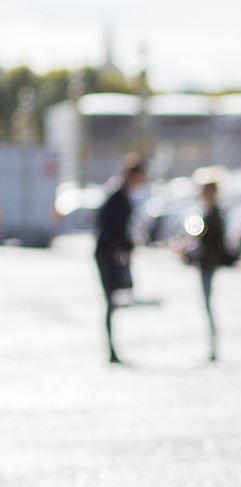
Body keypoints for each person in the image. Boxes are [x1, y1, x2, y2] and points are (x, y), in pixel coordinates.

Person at [94, 154, 146, 364]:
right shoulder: (116, 196)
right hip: (107, 255)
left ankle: (113, 349)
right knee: (109, 303)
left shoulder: (123, 195)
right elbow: (111, 228)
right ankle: (111, 350)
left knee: (113, 303)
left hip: (113, 254)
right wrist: (126, 247)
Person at [186, 180, 228, 362]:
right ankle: (212, 347)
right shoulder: (208, 211)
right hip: (207, 263)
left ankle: (213, 347)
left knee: (208, 305)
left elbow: (213, 242)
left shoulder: (214, 212)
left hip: (208, 263)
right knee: (206, 304)